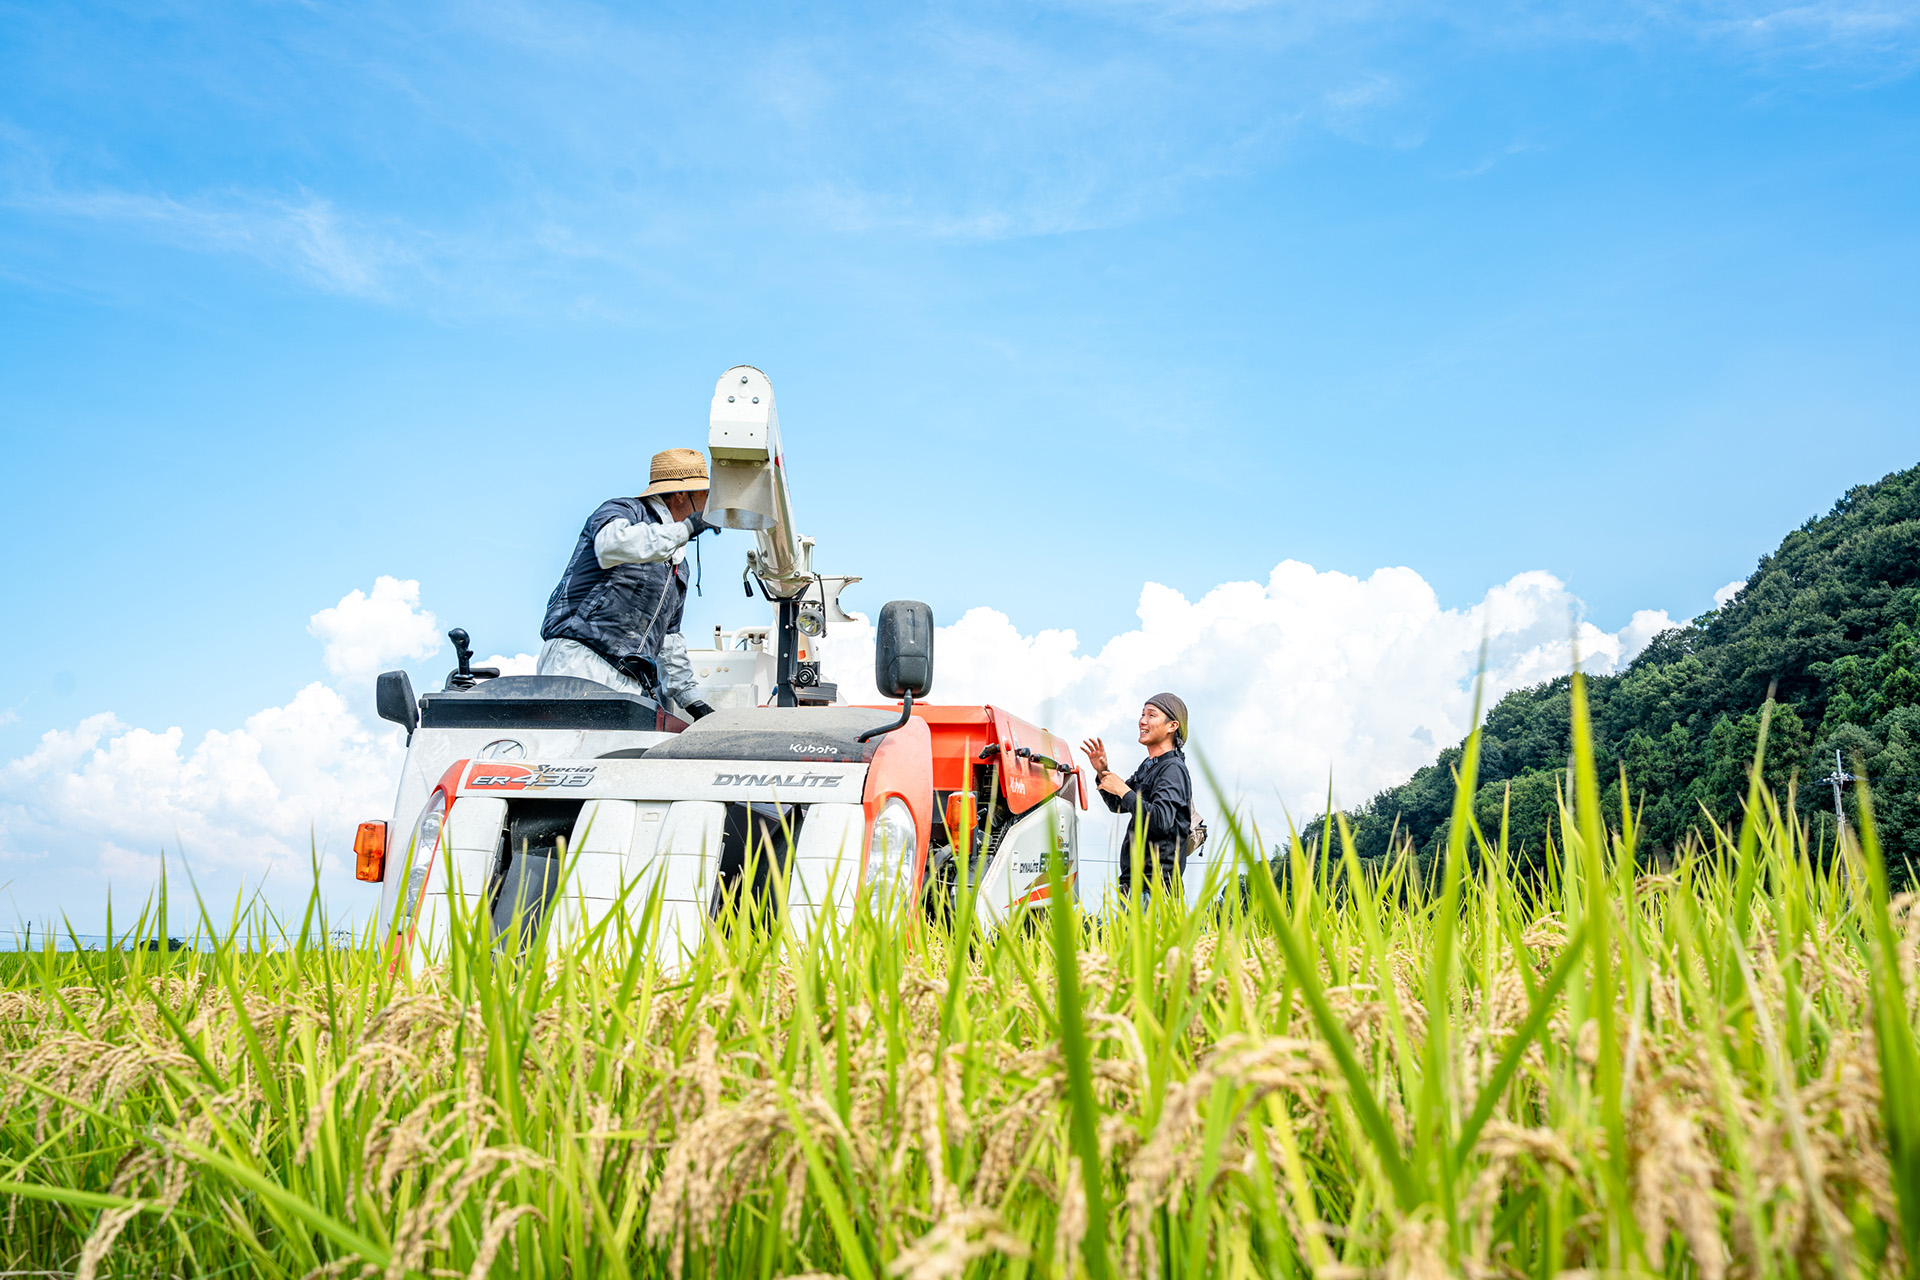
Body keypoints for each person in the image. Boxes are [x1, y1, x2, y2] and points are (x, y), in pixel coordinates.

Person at [537, 447, 722, 720]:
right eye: (704, 495)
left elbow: (669, 637)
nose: (708, 505)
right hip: (580, 661)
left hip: (629, 679)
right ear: (682, 493)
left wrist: (690, 699)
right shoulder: (624, 511)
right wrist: (686, 529)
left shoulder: (678, 563)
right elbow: (611, 544)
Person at [1082, 693, 1193, 902]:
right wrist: (1103, 772)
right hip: (1134, 887)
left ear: (1172, 726)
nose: (1142, 721)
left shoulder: (1173, 769)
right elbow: (1117, 805)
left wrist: (1123, 790)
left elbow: (1161, 821)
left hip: (1156, 890)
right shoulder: (1149, 766)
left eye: (1152, 715)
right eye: (1142, 714)